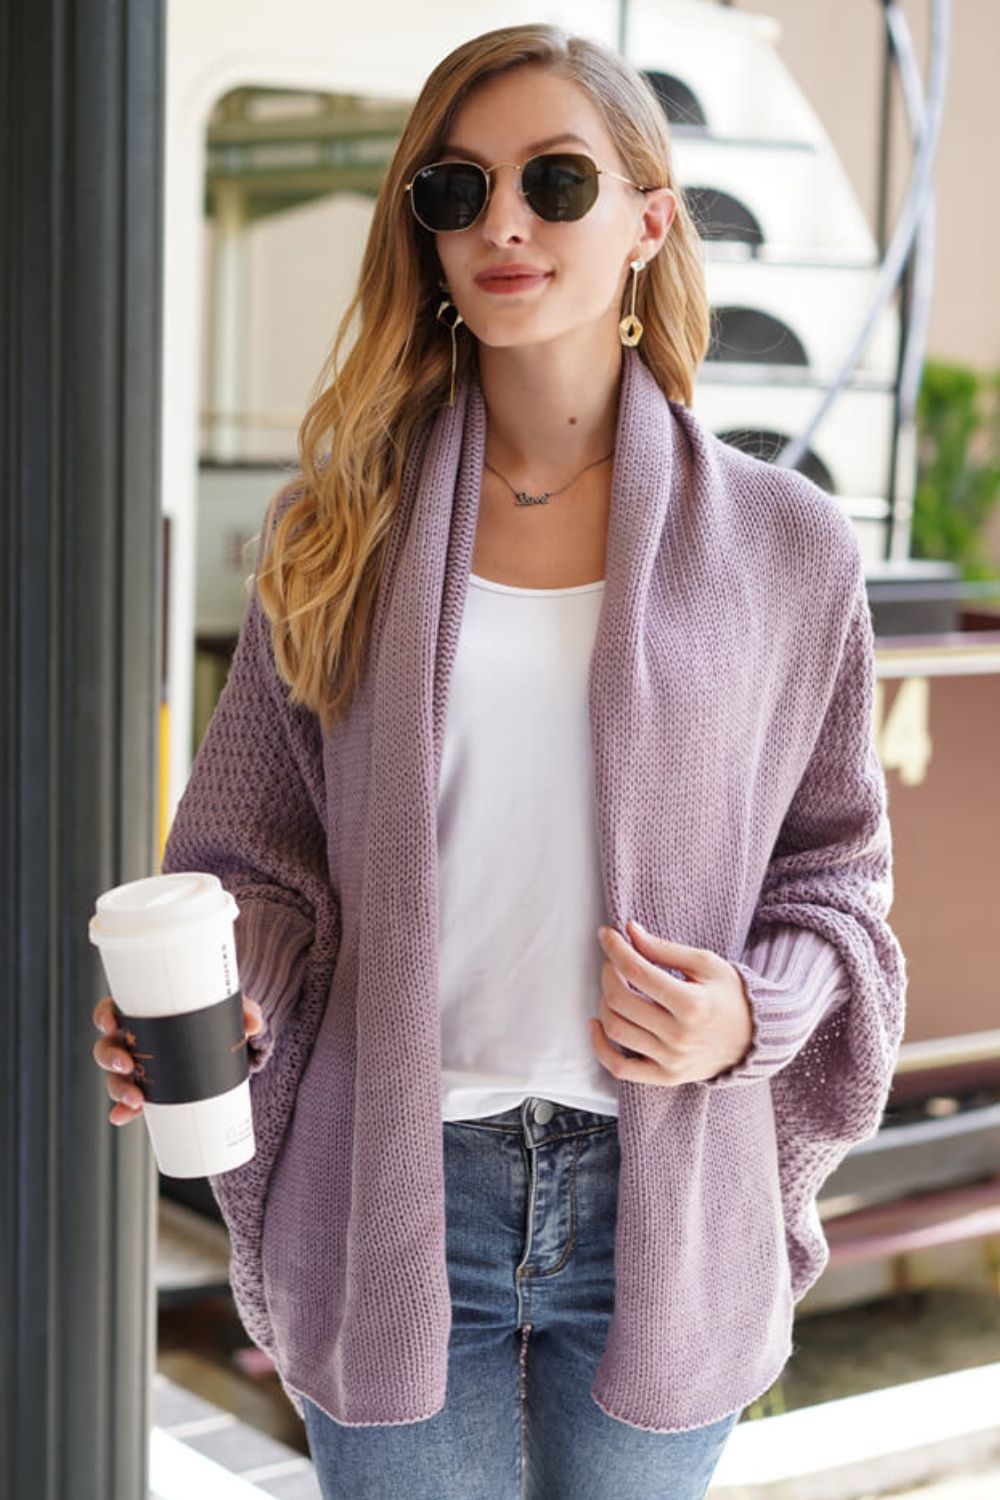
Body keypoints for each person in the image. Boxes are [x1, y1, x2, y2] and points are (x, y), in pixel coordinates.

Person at [92, 22, 907, 1500]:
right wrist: (224, 1001)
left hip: (661, 1202)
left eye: (555, 180)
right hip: (402, 1194)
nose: (504, 223)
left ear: (651, 219)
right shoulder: (336, 530)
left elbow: (837, 883)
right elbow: (253, 865)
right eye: (454, 192)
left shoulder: (789, 552)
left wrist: (745, 1010)